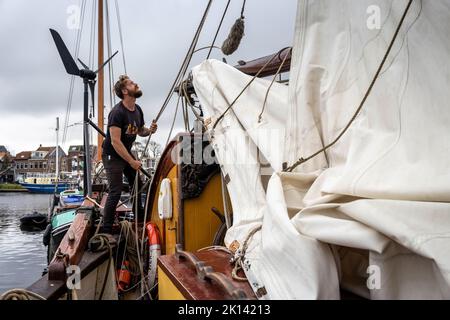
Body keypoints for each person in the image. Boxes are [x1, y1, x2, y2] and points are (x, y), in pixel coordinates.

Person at [101, 75, 157, 234]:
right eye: (132, 84)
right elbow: (115, 142)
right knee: (115, 191)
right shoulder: (117, 113)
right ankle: (106, 230)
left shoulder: (137, 110)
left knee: (137, 184)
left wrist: (150, 131)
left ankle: (139, 221)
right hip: (112, 155)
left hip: (126, 152)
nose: (136, 84)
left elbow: (140, 131)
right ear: (125, 91)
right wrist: (132, 162)